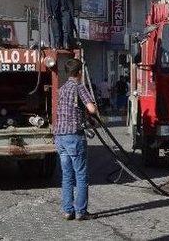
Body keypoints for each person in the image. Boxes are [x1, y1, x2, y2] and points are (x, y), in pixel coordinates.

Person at [53, 58, 98, 221]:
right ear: (79, 72)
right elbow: (91, 109)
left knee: (66, 175)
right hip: (74, 136)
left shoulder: (62, 88)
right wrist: (94, 112)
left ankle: (67, 211)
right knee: (81, 175)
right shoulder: (79, 86)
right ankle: (81, 212)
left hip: (60, 136)